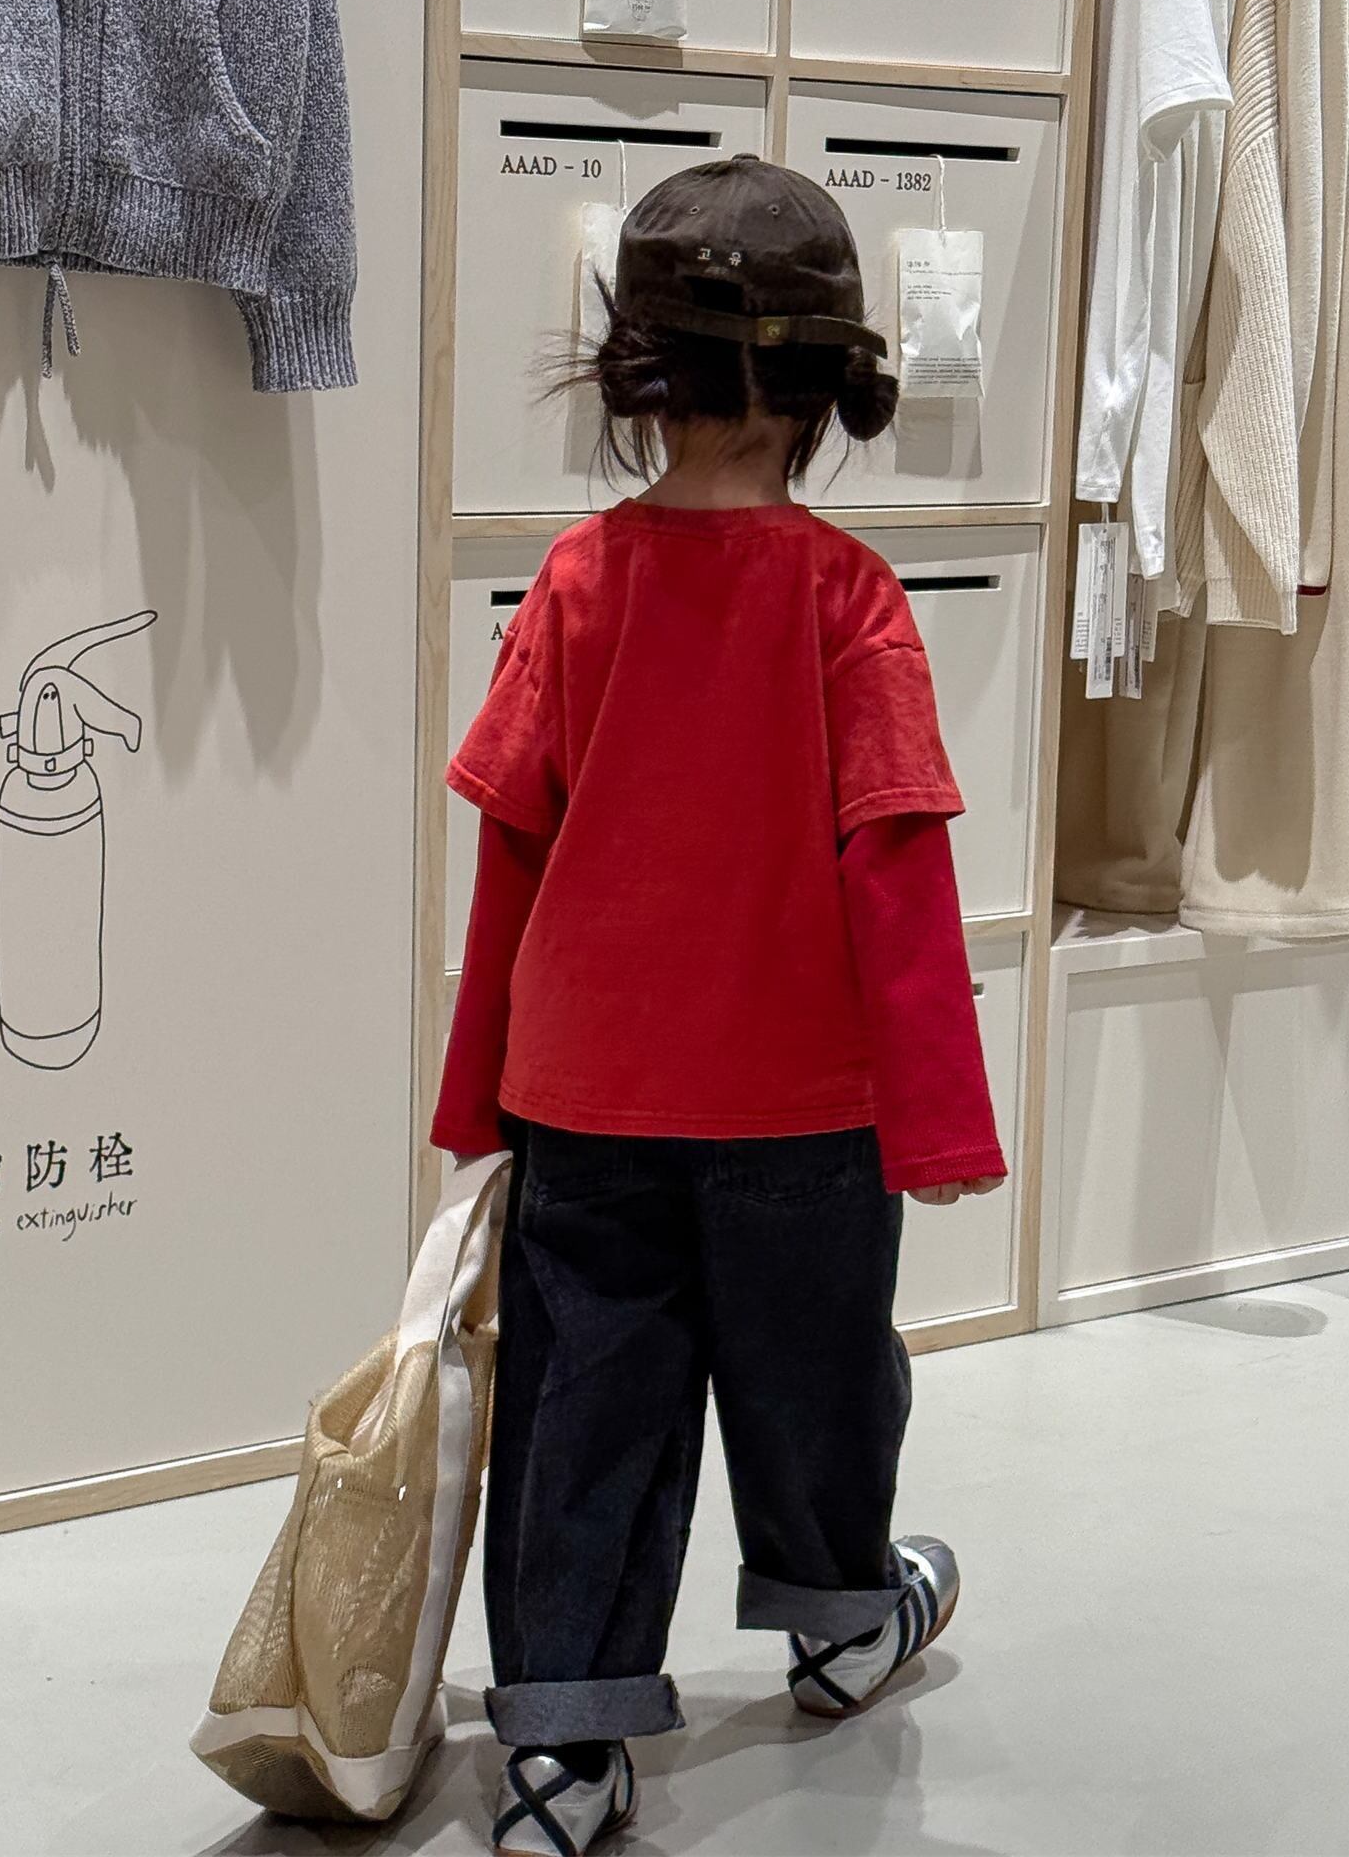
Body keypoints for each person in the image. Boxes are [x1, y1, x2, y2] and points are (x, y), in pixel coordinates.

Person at [431, 155, 1006, 1857]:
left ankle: (561, 1748)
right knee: (820, 1379)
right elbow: (894, 870)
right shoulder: (849, 600)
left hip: (585, 1102)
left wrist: (475, 1102)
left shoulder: (577, 583)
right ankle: (840, 1624)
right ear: (829, 393)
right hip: (801, 1113)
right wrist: (942, 1127)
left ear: (634, 377)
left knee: (581, 1406)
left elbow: (511, 862)